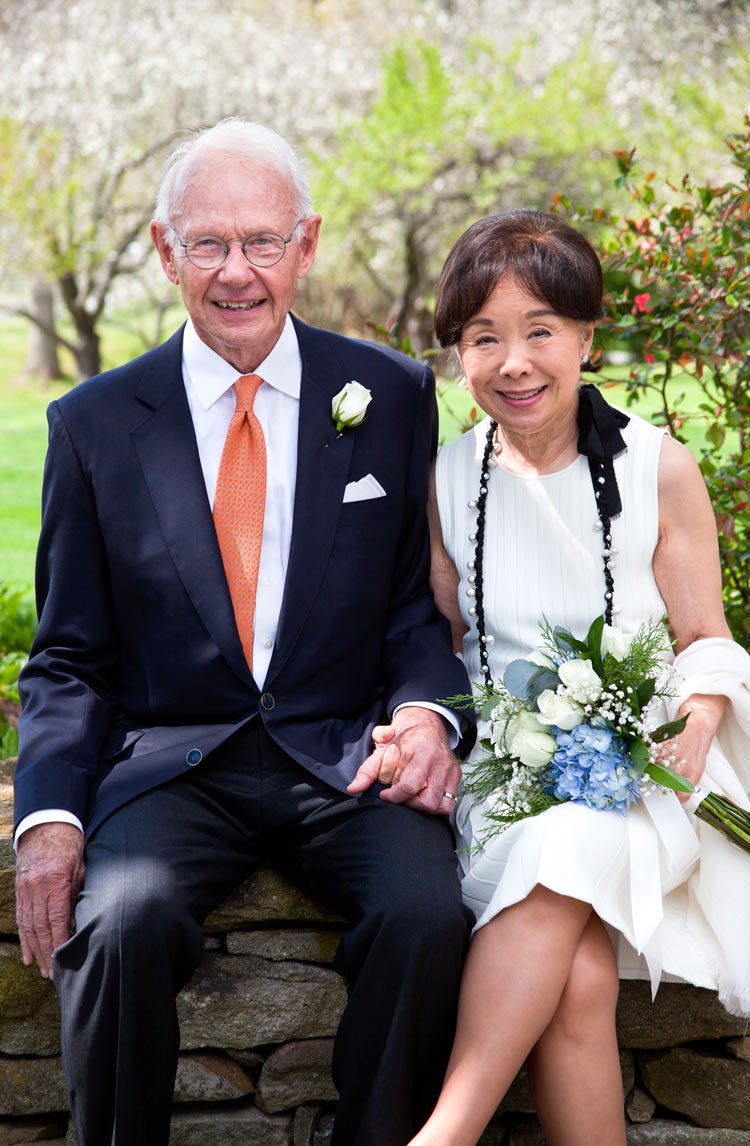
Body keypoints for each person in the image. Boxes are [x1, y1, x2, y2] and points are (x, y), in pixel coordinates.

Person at [13, 117, 476, 1146]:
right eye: (209, 243)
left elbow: (413, 605)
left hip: (342, 753)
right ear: (164, 249)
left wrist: (428, 718)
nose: (238, 272)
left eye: (263, 242)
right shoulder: (91, 424)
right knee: (119, 923)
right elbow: (70, 655)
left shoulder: (391, 394)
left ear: (306, 245)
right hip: (177, 766)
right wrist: (47, 814)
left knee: (429, 918)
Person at [399, 209, 750, 1146]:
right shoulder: (443, 481)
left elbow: (704, 636)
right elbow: (430, 645)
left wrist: (701, 716)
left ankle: (445, 1133)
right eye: (484, 338)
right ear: (457, 356)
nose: (514, 362)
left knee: (567, 853)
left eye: (540, 331)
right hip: (502, 786)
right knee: (581, 979)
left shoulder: (659, 470)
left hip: (643, 784)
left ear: (589, 339)